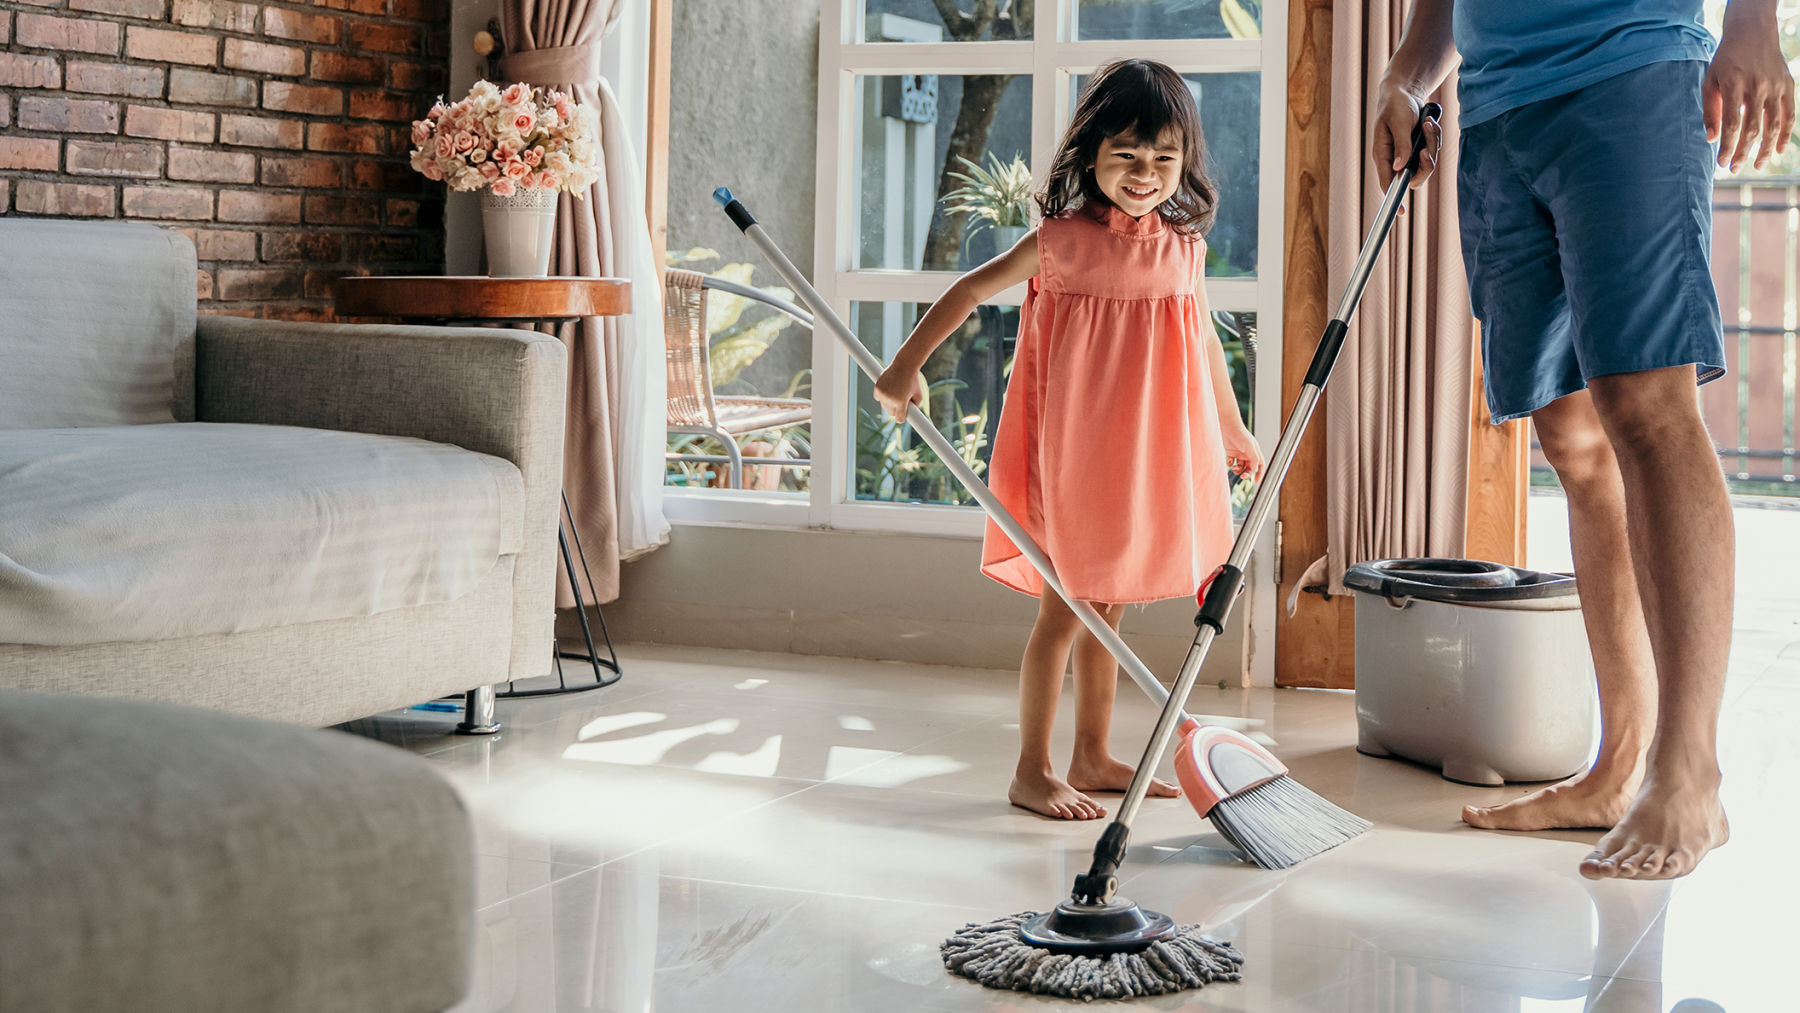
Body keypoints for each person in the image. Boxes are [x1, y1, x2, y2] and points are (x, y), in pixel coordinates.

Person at [1372, 0, 1793, 879]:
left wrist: (1753, 20)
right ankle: (1618, 766)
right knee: (1572, 436)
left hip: (1627, 65)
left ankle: (1690, 771)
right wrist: (1406, 77)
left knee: (1647, 402)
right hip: (1496, 108)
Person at [874, 60, 1265, 821]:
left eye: (1164, 159)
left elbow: (1205, 346)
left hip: (1145, 457)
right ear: (1091, 153)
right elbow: (969, 290)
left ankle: (1092, 753)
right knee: (1066, 609)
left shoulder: (1182, 249)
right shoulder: (1061, 241)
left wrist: (1232, 425)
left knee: (1110, 608)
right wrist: (903, 365)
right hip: (1073, 455)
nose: (1145, 174)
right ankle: (1031, 767)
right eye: (1127, 155)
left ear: (1185, 161)